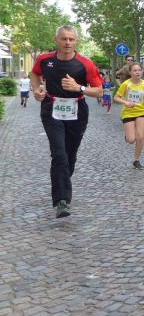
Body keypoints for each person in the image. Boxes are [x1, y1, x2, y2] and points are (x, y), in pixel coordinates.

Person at [30, 26, 104, 217]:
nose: (68, 43)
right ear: (56, 40)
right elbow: (34, 74)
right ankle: (62, 201)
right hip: (51, 109)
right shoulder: (44, 60)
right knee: (59, 154)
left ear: (76, 41)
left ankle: (61, 181)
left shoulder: (85, 63)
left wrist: (79, 87)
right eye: (64, 39)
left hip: (77, 111)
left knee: (70, 155)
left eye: (71, 39)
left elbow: (99, 91)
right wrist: (36, 89)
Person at [114, 62, 144, 170]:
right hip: (128, 113)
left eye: (139, 70)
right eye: (135, 70)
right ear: (130, 72)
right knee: (131, 139)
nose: (137, 72)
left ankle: (136, 160)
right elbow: (116, 98)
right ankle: (128, 136)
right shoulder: (126, 84)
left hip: (141, 112)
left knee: (140, 137)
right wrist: (125, 102)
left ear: (142, 71)